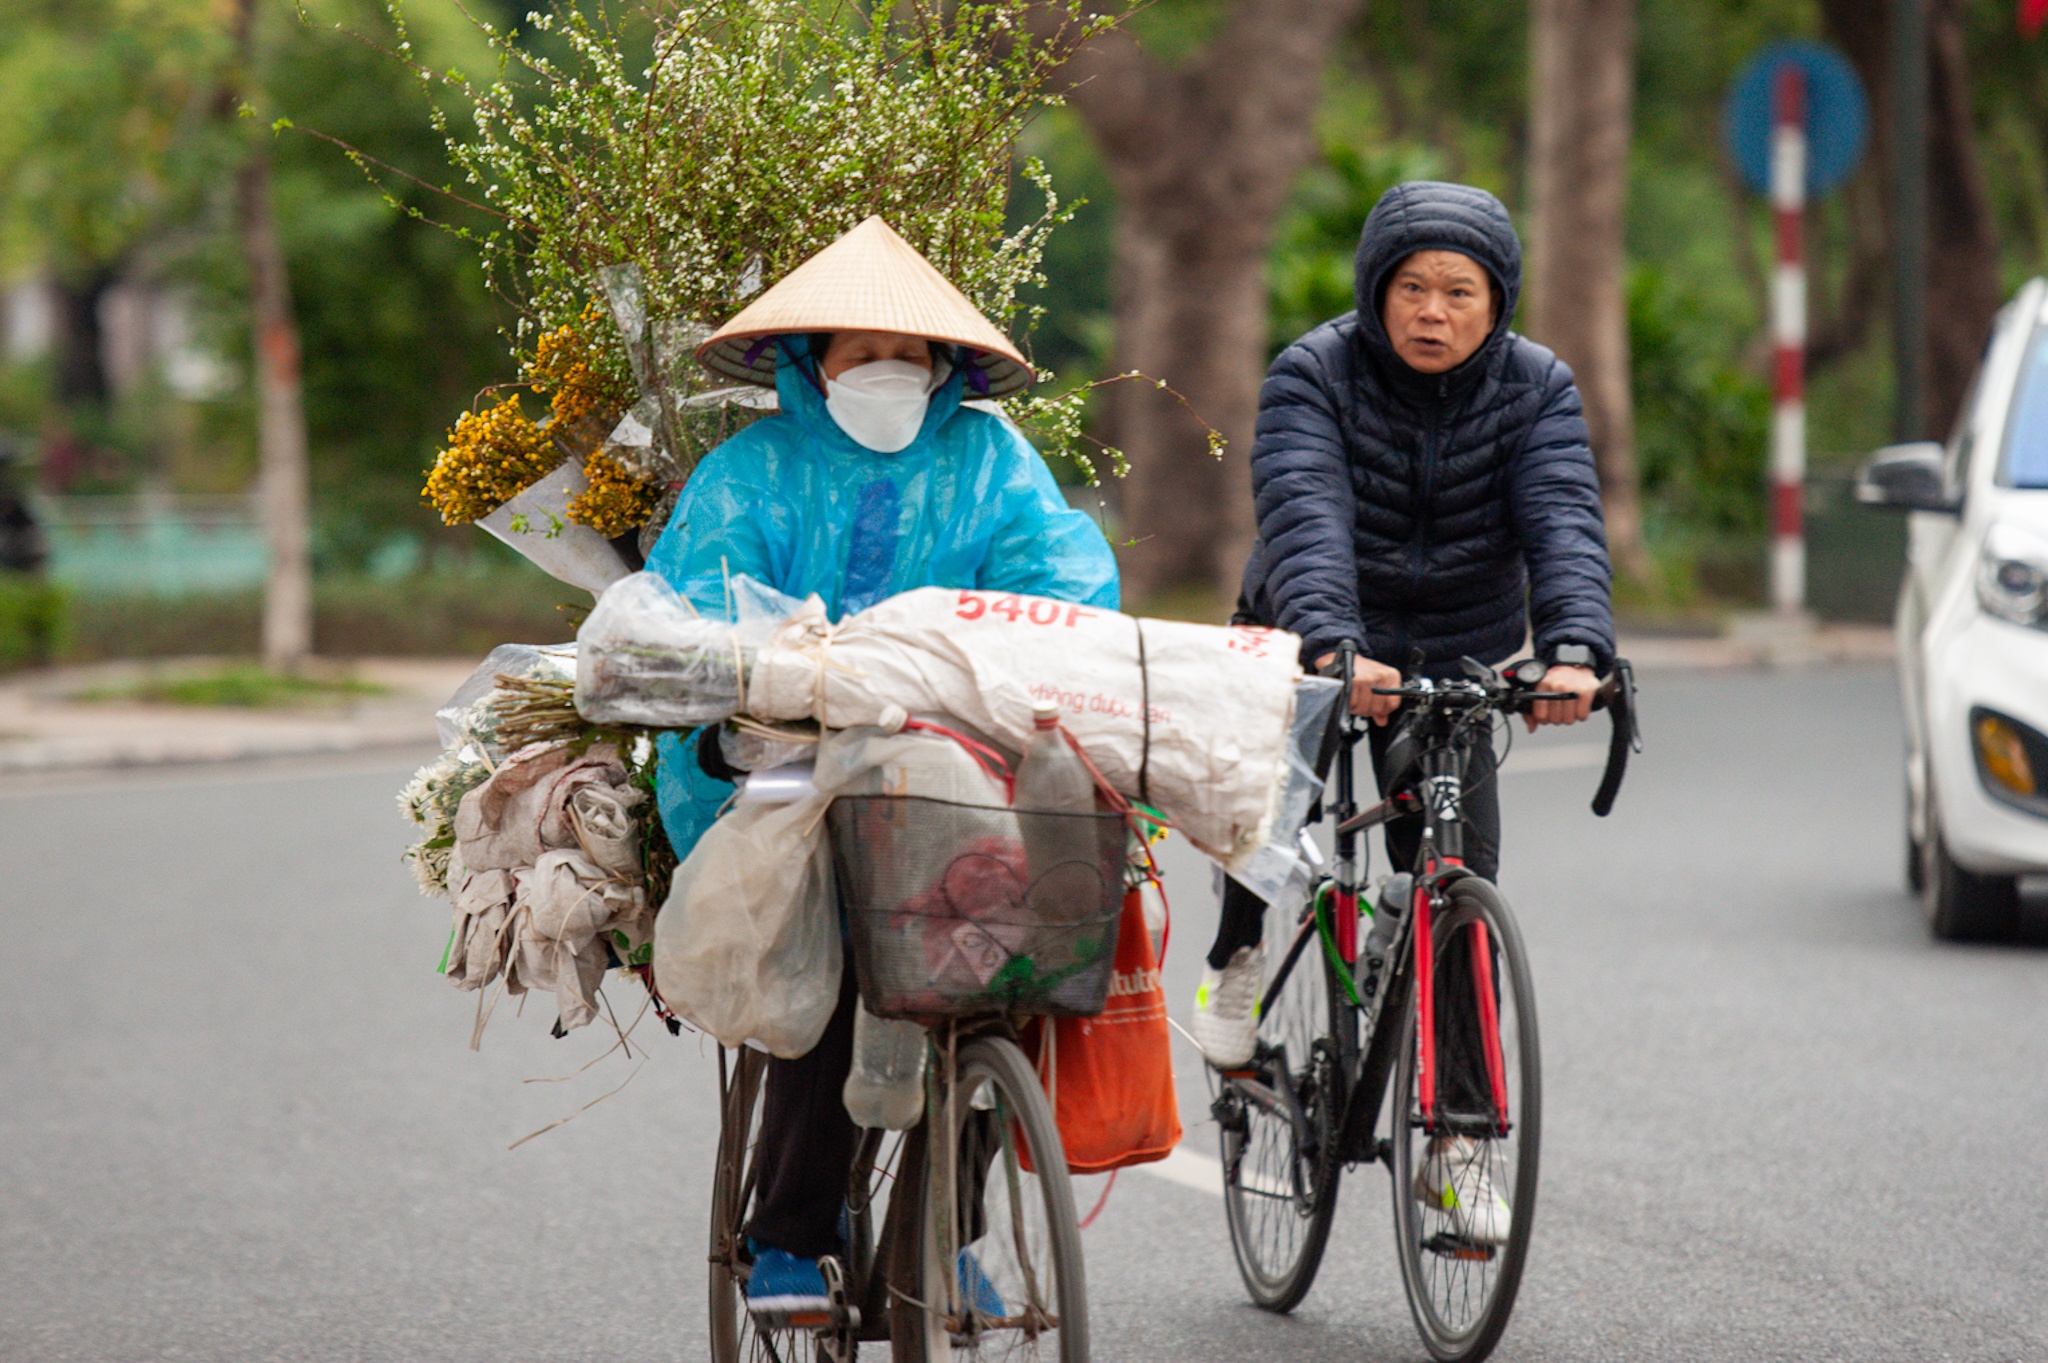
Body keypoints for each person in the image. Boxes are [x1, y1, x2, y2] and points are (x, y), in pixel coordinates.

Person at [644, 216, 1119, 1320]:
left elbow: (1057, 592)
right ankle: (784, 1235)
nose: (889, 373)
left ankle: (951, 1234)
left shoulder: (994, 462)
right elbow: (698, 623)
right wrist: (773, 693)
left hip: (960, 765)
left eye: (910, 355)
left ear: (949, 368)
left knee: (1003, 969)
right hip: (782, 776)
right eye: (862, 353)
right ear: (813, 364)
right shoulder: (749, 472)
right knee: (844, 957)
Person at [1188, 181, 1615, 1244]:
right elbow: (1303, 513)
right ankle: (1235, 963)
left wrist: (1572, 650)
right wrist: (1333, 648)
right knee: (1264, 819)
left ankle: (1460, 1149)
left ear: (1495, 301)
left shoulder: (1536, 388)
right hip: (1314, 628)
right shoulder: (1311, 374)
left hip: (1459, 654)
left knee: (1457, 891)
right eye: (1412, 288)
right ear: (1375, 294)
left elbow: (1561, 514)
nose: (1432, 312)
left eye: (1458, 292)